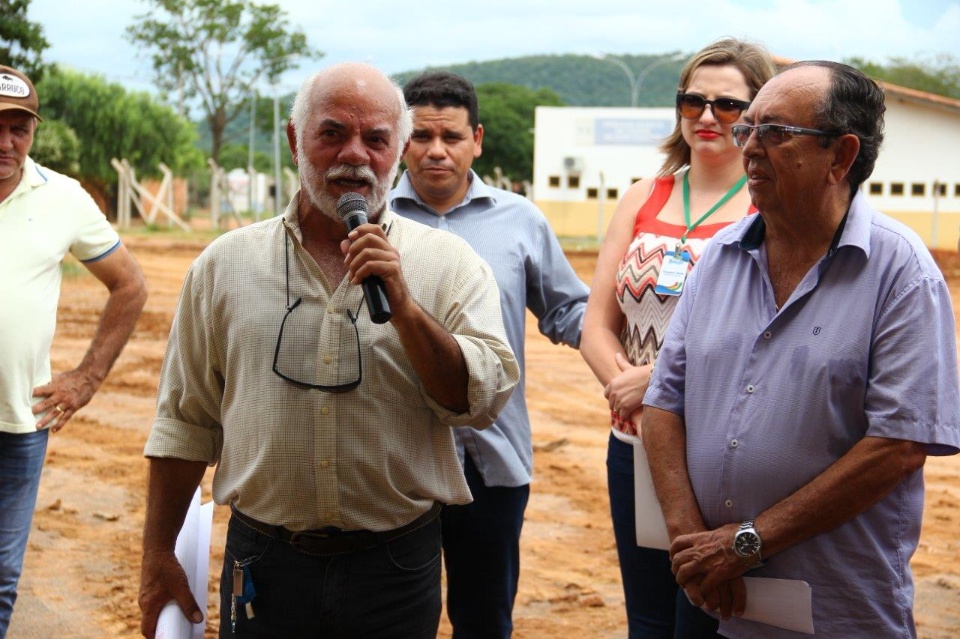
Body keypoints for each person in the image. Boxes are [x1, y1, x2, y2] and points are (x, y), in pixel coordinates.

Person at [137, 62, 519, 639]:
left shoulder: (450, 266)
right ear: (295, 140)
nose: (356, 155)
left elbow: (477, 401)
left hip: (396, 565)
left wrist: (406, 308)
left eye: (376, 139)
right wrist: (157, 552)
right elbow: (185, 422)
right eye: (333, 133)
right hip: (264, 561)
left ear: (398, 148)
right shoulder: (224, 266)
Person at [642, 60, 960, 637]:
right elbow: (664, 403)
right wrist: (693, 542)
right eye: (749, 130)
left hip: (833, 606)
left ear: (840, 156)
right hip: (711, 592)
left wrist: (745, 543)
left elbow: (898, 446)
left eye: (776, 132)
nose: (750, 148)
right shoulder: (718, 257)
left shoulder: (901, 272)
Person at [579, 39, 777, 638]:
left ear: (758, 113)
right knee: (645, 616)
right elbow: (596, 324)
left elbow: (766, 339)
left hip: (717, 452)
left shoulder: (768, 205)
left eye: (727, 104)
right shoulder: (645, 194)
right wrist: (625, 389)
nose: (708, 116)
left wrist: (659, 386)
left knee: (703, 613)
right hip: (633, 441)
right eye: (694, 101)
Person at [389, 71, 589, 638]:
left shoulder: (520, 220)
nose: (435, 151)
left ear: (476, 139)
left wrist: (637, 345)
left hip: (493, 461)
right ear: (402, 139)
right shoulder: (370, 220)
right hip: (395, 458)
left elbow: (568, 311)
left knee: (484, 617)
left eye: (450, 137)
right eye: (421, 136)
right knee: (397, 615)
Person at [0, 65, 148, 637]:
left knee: (1, 577)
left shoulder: (62, 197)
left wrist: (87, 377)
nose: (6, 142)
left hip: (19, 426)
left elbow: (130, 285)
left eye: (20, 127)